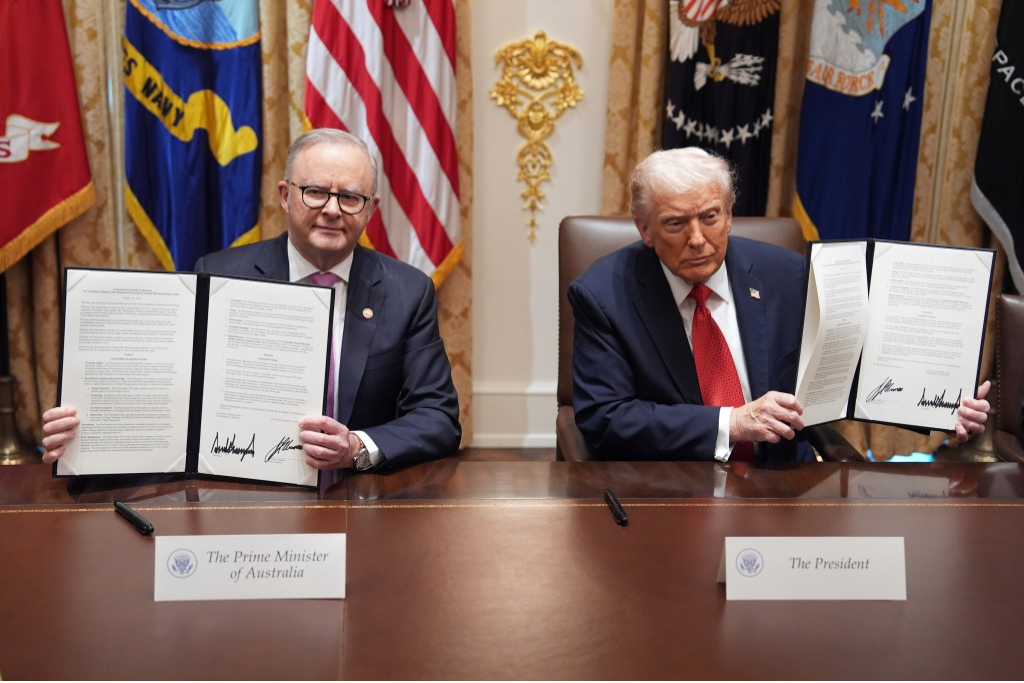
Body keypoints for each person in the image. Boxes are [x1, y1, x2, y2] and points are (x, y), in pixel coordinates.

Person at [42, 128, 461, 472]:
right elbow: (172, 393)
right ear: (285, 195)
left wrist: (355, 447)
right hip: (240, 496)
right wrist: (88, 433)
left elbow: (438, 417)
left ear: (371, 209)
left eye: (350, 198)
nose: (332, 209)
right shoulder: (218, 275)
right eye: (315, 191)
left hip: (359, 500)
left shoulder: (408, 291)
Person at [568, 147, 990, 461]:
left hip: (778, 480)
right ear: (645, 229)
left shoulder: (786, 274)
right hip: (673, 483)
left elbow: (853, 373)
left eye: (710, 217)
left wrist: (940, 405)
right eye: (676, 223)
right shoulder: (604, 296)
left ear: (729, 216)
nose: (696, 239)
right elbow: (606, 417)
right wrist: (731, 423)